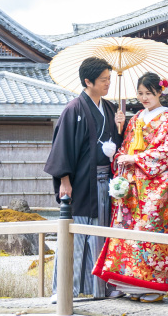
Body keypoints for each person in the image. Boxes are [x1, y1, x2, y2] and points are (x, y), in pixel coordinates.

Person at [92, 70, 168, 302]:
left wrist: (136, 159)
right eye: (141, 93)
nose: (144, 98)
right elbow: (126, 147)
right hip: (134, 186)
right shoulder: (135, 118)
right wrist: (120, 140)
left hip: (156, 187)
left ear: (160, 92)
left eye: (149, 93)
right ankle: (133, 286)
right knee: (129, 234)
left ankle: (154, 287)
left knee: (150, 232)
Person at [44, 56, 125, 301]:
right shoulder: (73, 110)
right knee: (76, 235)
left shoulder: (112, 109)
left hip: (106, 183)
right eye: (103, 80)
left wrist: (121, 128)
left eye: (110, 79)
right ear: (88, 81)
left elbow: (119, 146)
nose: (108, 84)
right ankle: (64, 289)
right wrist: (64, 181)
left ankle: (99, 288)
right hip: (80, 182)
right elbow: (63, 147)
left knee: (101, 235)